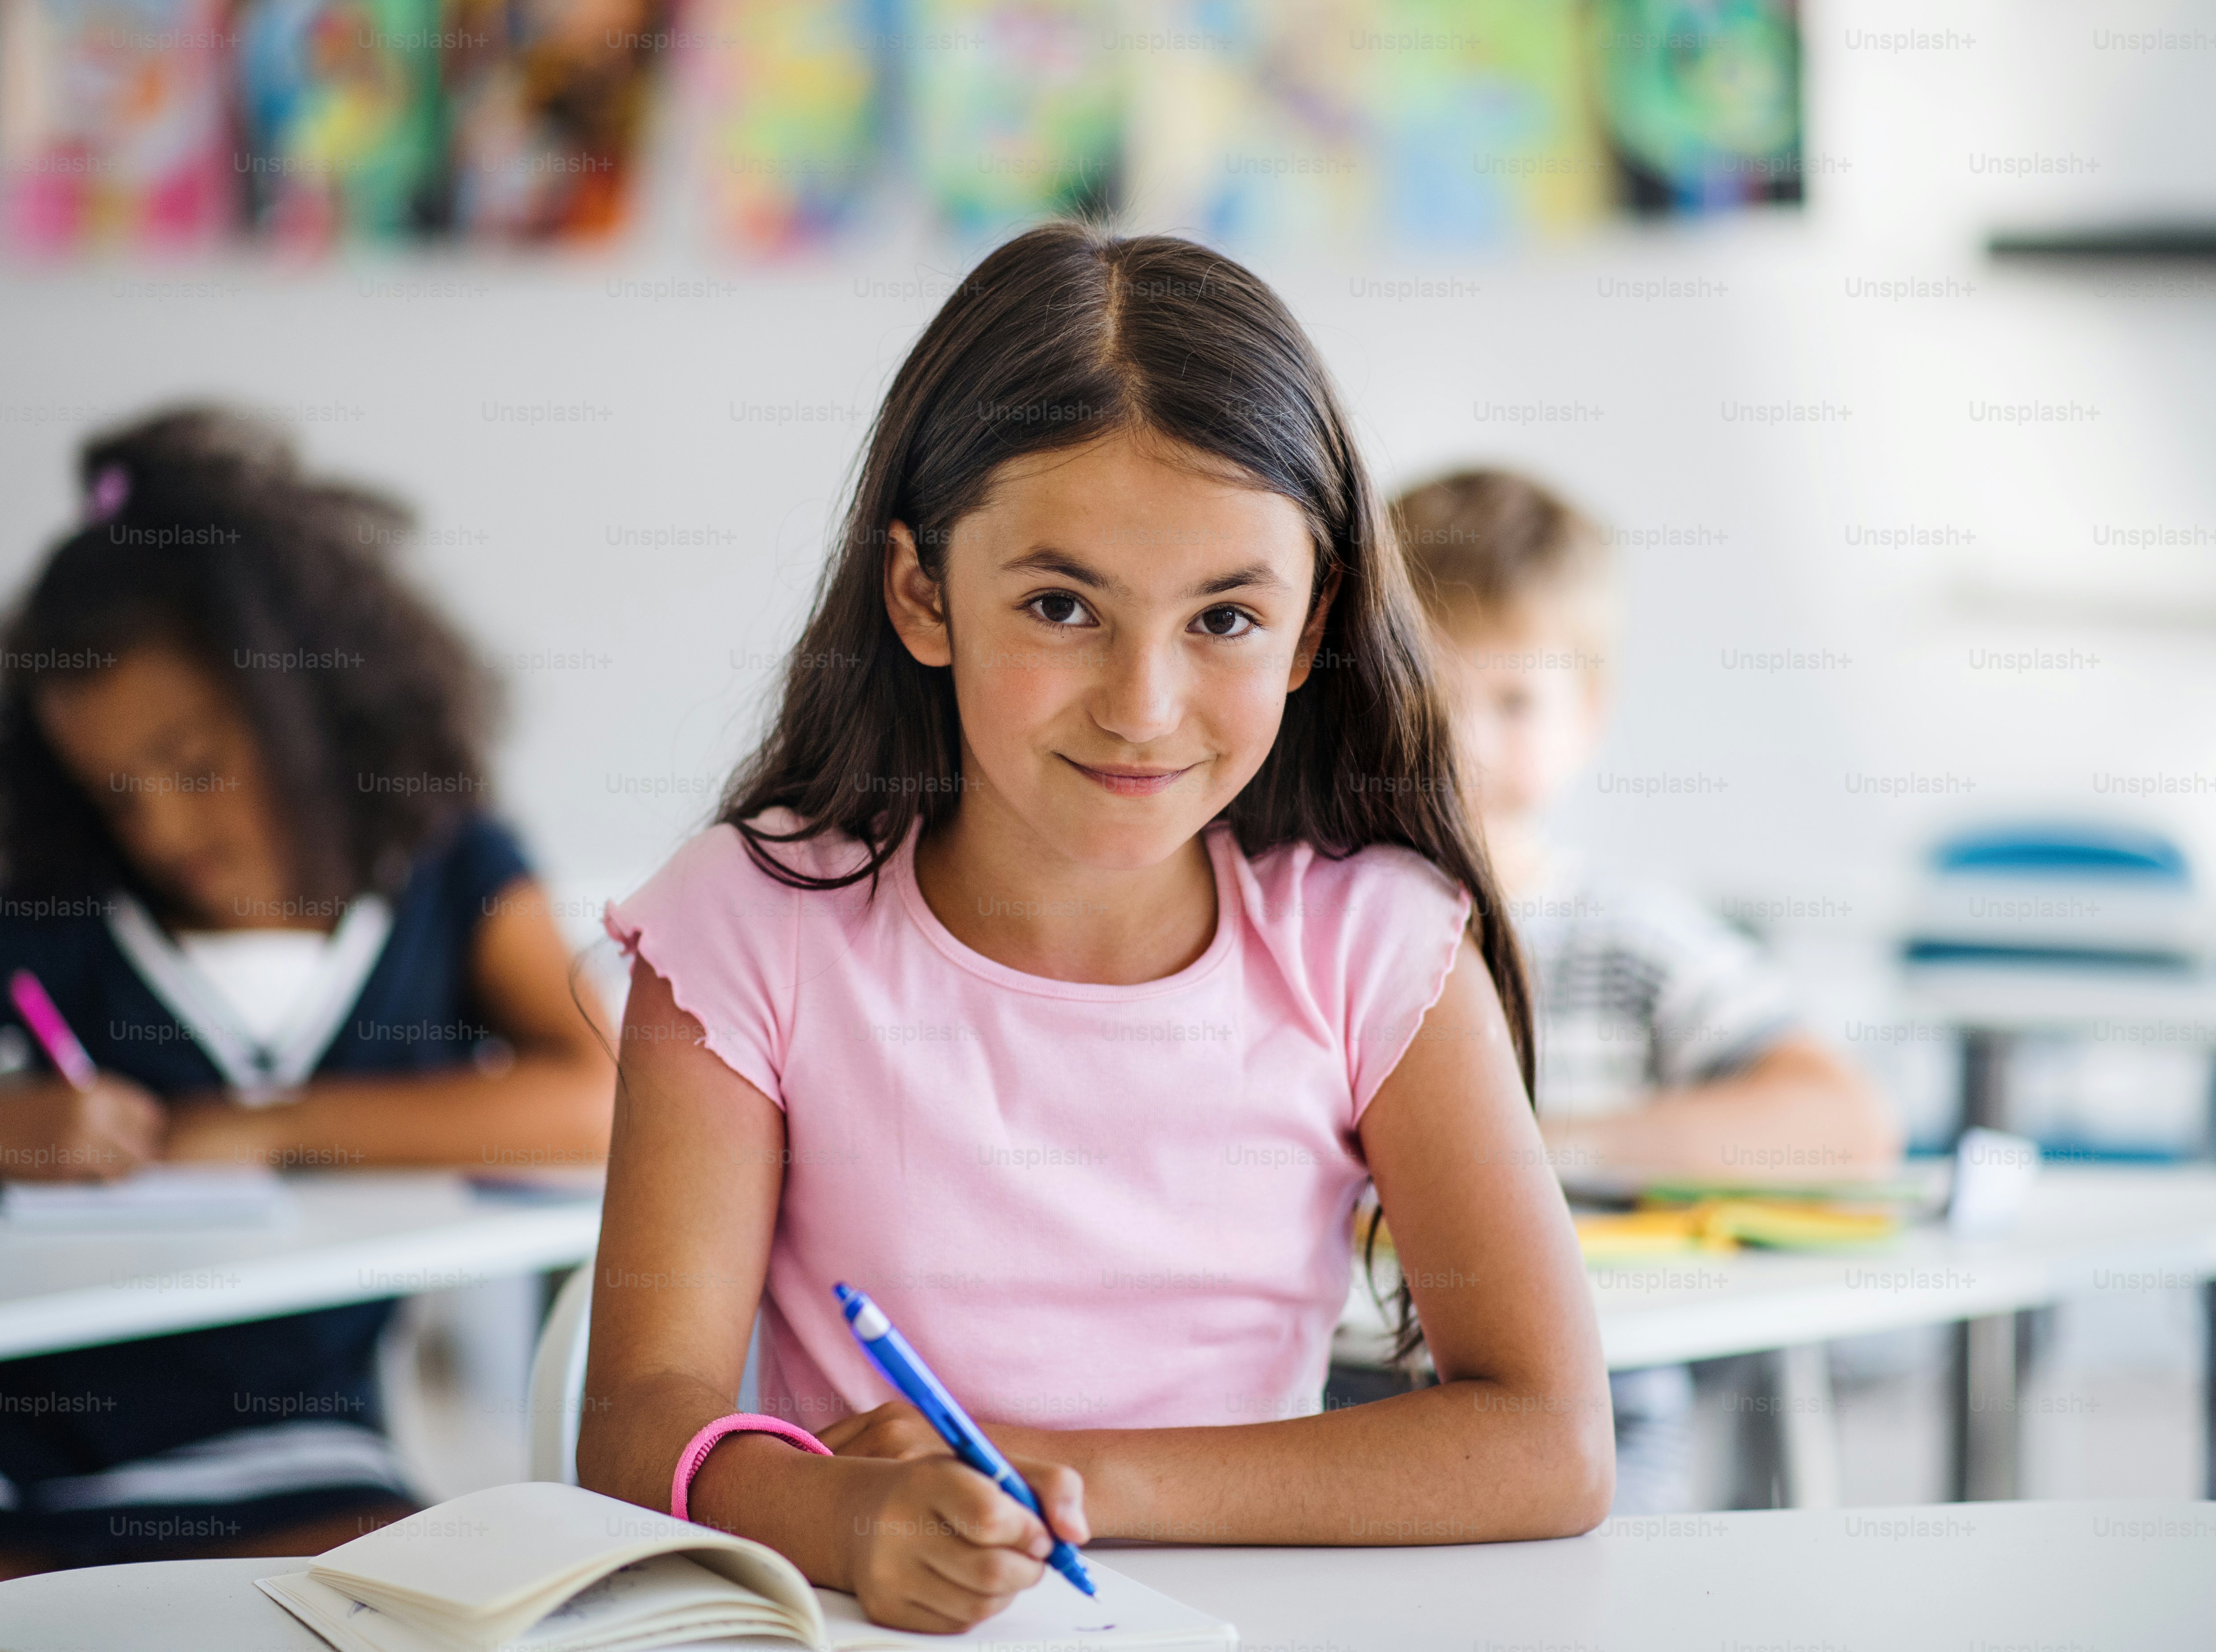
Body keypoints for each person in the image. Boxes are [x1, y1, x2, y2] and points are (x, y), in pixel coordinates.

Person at [577, 223, 1614, 1635]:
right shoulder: (747, 923)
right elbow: (640, 1418)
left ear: (1312, 635)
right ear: (922, 594)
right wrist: (844, 1513)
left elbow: (1549, 1441)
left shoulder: (1379, 945)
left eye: (1227, 619)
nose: (1141, 705)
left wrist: (1056, 1480)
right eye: (1062, 607)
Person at [0, 407, 616, 1595]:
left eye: (195, 765)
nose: (166, 828)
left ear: (309, 710)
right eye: (121, 794)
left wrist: (270, 1128)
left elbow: (605, 1098)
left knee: (418, 1609)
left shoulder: (447, 874)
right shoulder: (63, 915)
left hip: (287, 1441)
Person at [1393, 466, 1899, 1511]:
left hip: (1598, 1449)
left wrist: (1520, 1148)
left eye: (1515, 700)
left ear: (1587, 712)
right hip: (1353, 1422)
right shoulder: (1318, 925)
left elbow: (1846, 1121)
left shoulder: (1628, 938)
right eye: (1430, 692)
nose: (1467, 741)